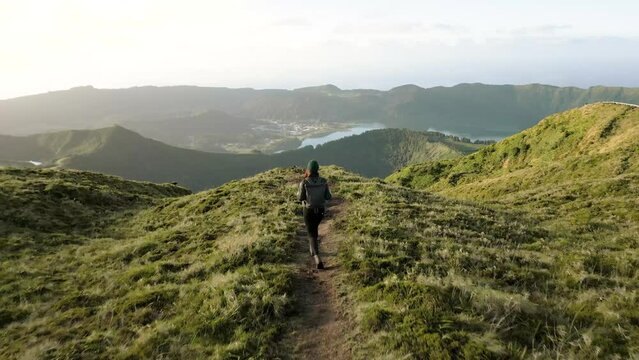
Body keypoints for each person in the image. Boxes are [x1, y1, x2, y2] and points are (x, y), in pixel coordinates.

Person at [297, 160, 332, 269]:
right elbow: (328, 197)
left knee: (311, 233)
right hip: (320, 211)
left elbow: (300, 198)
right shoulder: (324, 181)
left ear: (308, 170)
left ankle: (317, 258)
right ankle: (313, 249)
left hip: (308, 211)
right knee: (314, 229)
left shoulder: (304, 182)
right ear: (317, 170)